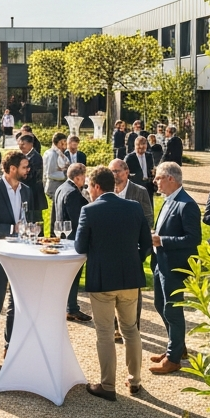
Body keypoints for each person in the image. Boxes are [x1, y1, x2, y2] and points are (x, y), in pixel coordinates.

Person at [73, 165, 152, 400]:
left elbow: (79, 247)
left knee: (105, 332)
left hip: (102, 281)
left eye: (89, 186)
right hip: (130, 279)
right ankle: (135, 380)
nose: (88, 190)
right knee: (131, 329)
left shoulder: (89, 210)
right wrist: (133, 261)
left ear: (97, 187)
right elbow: (146, 244)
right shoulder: (134, 208)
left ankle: (108, 385)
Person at [0, 151, 33, 372]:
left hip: (21, 253)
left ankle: (10, 348)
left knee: (16, 303)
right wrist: (12, 229)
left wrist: (30, 232)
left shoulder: (27, 190)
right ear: (11, 169)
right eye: (24, 167)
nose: (27, 170)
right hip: (0, 253)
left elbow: (29, 218)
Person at [149, 162, 202, 375]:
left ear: (171, 178)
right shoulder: (169, 200)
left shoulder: (187, 204)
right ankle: (177, 347)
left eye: (159, 177)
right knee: (160, 305)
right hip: (161, 262)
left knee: (172, 310)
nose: (155, 181)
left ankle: (173, 358)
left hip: (174, 265)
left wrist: (162, 240)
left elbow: (193, 238)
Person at [53, 162, 91, 322]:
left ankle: (68, 307)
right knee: (74, 275)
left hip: (62, 236)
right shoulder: (73, 193)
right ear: (78, 177)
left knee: (68, 276)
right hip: (73, 238)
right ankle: (72, 308)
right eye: (84, 176)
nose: (86, 179)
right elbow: (79, 219)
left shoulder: (61, 188)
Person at [18, 133, 46, 225]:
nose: (21, 146)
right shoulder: (23, 156)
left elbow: (31, 176)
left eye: (23, 144)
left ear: (31, 144)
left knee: (35, 221)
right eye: (20, 144)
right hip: (27, 192)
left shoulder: (35, 157)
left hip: (34, 194)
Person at [42, 132, 69, 208]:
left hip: (58, 186)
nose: (66, 145)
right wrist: (66, 174)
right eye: (64, 142)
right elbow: (50, 174)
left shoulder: (59, 153)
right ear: (60, 143)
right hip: (54, 187)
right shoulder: (52, 154)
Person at [126, 135, 155, 200]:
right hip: (136, 185)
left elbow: (151, 169)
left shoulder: (149, 156)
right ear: (135, 145)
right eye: (139, 147)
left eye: (143, 147)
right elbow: (125, 173)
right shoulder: (129, 158)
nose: (141, 148)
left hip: (148, 185)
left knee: (148, 206)